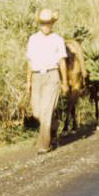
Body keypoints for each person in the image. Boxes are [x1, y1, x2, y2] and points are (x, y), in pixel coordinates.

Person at [26, 8, 69, 153]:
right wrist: (29, 81)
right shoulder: (33, 39)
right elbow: (30, 62)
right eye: (43, 23)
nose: (45, 26)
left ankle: (44, 145)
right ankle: (54, 124)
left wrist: (65, 82)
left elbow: (62, 62)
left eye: (48, 23)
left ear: (52, 23)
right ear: (39, 23)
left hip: (52, 76)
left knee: (45, 112)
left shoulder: (58, 40)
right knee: (37, 112)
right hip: (37, 77)